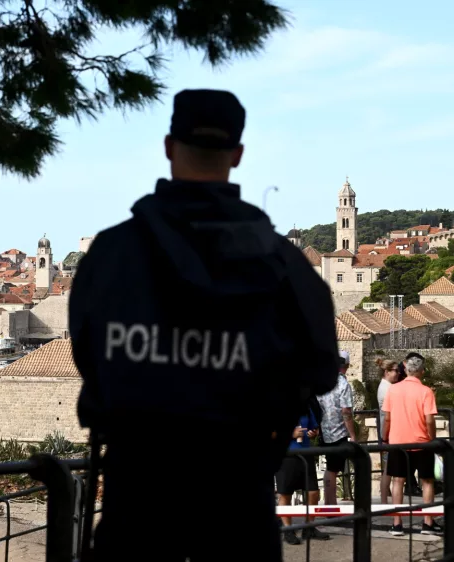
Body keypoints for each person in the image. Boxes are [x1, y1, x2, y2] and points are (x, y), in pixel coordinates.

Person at [69, 89, 340, 561]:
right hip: (239, 499)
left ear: (169, 147)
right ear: (237, 155)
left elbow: (87, 356)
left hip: (137, 498)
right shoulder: (284, 265)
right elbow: (320, 371)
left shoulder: (110, 255)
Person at [382, 353, 442, 535]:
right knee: (427, 482)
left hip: (398, 442)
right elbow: (430, 420)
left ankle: (397, 523)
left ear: (406, 369)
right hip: (422, 442)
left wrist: (384, 438)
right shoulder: (426, 392)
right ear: (422, 371)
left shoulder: (392, 390)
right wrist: (432, 438)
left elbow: (387, 418)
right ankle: (427, 522)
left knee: (398, 481)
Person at [276, 406, 331, 545]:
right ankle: (288, 530)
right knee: (285, 494)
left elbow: (314, 428)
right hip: (285, 455)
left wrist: (313, 433)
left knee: (313, 492)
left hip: (306, 454)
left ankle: (309, 527)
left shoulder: (305, 407)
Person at [317, 351, 358, 506]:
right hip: (339, 432)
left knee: (330, 468)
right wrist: (353, 435)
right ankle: (331, 505)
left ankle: (329, 503)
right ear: (346, 366)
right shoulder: (343, 384)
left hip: (324, 431)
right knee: (335, 469)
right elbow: (346, 411)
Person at [375, 358, 403, 503]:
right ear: (387, 372)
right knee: (388, 469)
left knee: (388, 468)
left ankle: (385, 498)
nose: (398, 373)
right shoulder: (387, 389)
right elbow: (388, 415)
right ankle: (384, 499)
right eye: (395, 371)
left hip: (388, 432)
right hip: (389, 433)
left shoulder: (386, 387)